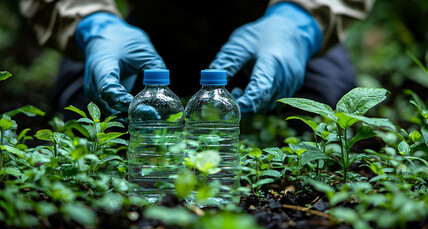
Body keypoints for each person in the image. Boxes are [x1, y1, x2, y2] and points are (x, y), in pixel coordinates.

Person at [18, 0, 374, 119]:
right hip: (146, 36)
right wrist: (92, 21)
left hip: (270, 32)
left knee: (324, 110)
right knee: (86, 105)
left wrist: (301, 20)